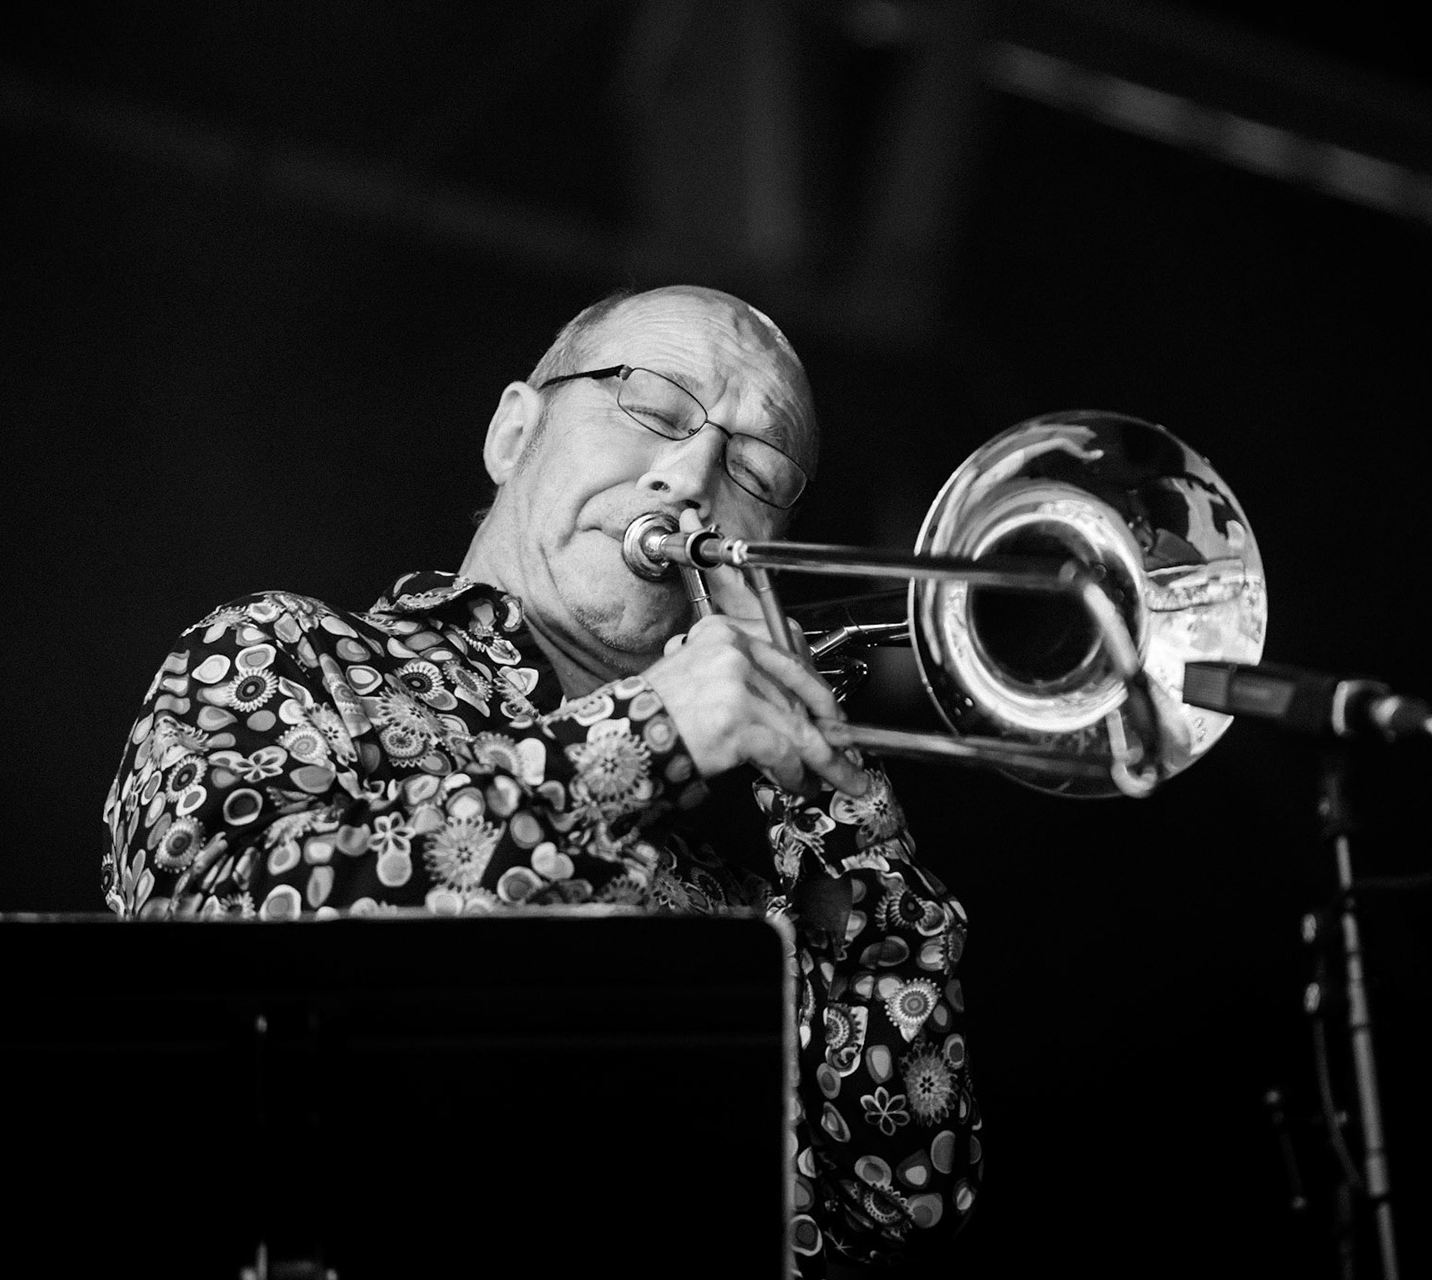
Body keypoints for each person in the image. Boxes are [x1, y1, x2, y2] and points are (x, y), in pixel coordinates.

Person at [102, 284, 981, 1273]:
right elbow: (213, 951)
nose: (693, 475)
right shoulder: (288, 653)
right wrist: (650, 729)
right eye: (652, 406)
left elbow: (897, 1201)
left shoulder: (739, 911)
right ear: (514, 430)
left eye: (757, 466)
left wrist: (837, 808)